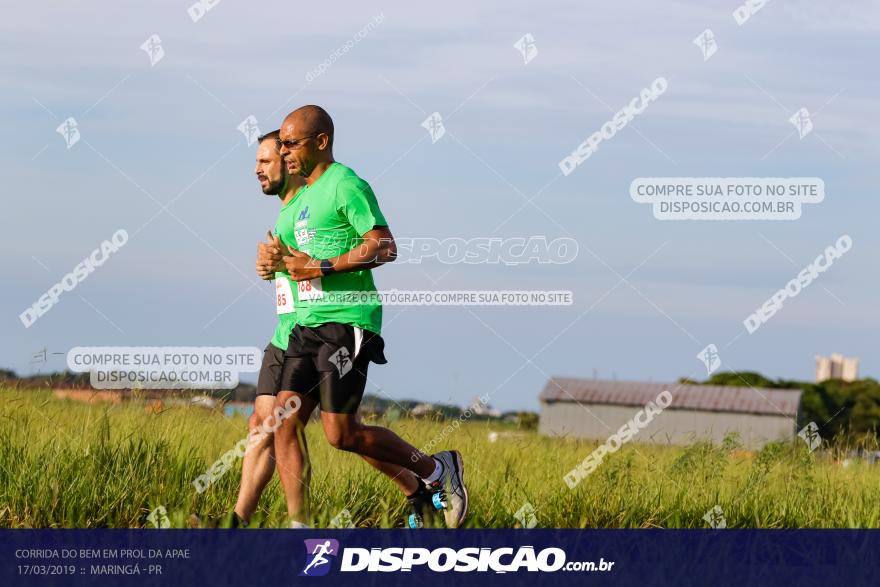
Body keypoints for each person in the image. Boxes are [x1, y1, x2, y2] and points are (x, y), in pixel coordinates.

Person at [272, 105, 468, 528]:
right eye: (281, 144)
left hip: (347, 323)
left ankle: (437, 470)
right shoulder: (301, 199)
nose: (283, 150)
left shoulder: (346, 185)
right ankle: (298, 530)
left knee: (341, 434)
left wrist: (322, 266)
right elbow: (294, 263)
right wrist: (275, 260)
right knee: (284, 423)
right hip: (306, 325)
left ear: (320, 142)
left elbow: (383, 245)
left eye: (291, 143)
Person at [229, 130, 305, 527]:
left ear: (288, 162)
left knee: (345, 434)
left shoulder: (311, 206)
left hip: (315, 333)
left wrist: (285, 258)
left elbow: (328, 267)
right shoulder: (285, 212)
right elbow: (291, 274)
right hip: (283, 332)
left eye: (264, 161)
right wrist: (271, 269)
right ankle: (236, 524)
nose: (256, 169)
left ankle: (426, 477)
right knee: (260, 423)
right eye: (256, 162)